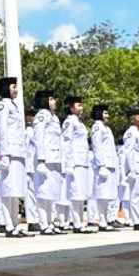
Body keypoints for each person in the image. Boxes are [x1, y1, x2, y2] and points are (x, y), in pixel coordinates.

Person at [0, 77, 30, 238]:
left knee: (15, 191)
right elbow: (2, 130)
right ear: (7, 88)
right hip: (10, 153)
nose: (16, 90)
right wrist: (4, 154)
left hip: (18, 153)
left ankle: (14, 225)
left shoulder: (14, 105)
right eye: (14, 87)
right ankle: (8, 225)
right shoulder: (3, 105)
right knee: (8, 191)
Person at [32, 90, 66, 235]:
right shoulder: (41, 115)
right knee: (43, 192)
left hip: (55, 159)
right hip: (45, 159)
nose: (54, 102)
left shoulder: (55, 118)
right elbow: (38, 138)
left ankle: (51, 222)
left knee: (52, 192)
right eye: (51, 99)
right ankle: (43, 223)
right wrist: (40, 159)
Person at [61, 96, 92, 233]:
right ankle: (77, 223)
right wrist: (68, 163)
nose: (81, 108)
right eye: (79, 105)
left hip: (82, 161)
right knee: (76, 193)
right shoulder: (69, 122)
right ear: (71, 107)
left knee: (81, 193)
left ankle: (80, 222)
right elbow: (66, 142)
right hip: (75, 162)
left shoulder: (79, 122)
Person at [89, 105, 119, 232]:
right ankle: (102, 221)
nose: (108, 116)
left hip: (110, 165)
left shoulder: (106, 128)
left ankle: (105, 220)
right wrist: (101, 165)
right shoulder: (97, 127)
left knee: (108, 195)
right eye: (105, 113)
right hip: (104, 166)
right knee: (102, 194)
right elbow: (97, 146)